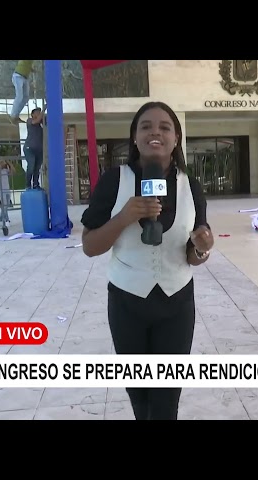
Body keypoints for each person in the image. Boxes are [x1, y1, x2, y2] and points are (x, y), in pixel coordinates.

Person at [81, 101, 214, 421]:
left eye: (165, 127)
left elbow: (192, 257)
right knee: (140, 398)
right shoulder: (115, 181)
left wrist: (202, 247)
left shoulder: (190, 186)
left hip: (177, 303)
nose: (156, 131)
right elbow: (89, 246)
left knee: (167, 400)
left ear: (176, 139)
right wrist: (124, 216)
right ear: (135, 138)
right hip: (127, 302)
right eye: (146, 126)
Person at [24, 106, 46, 189]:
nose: (39, 113)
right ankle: (28, 185)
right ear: (32, 114)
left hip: (39, 150)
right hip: (29, 148)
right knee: (31, 165)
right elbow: (35, 121)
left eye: (39, 112)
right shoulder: (29, 121)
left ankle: (36, 184)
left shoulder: (41, 123)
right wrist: (43, 110)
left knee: (37, 168)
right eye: (37, 112)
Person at [0, 159, 13, 223]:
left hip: (7, 189)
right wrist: (0, 166)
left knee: (7, 204)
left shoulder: (5, 170)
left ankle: (0, 219)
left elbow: (13, 172)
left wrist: (9, 163)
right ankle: (6, 220)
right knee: (5, 204)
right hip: (0, 189)